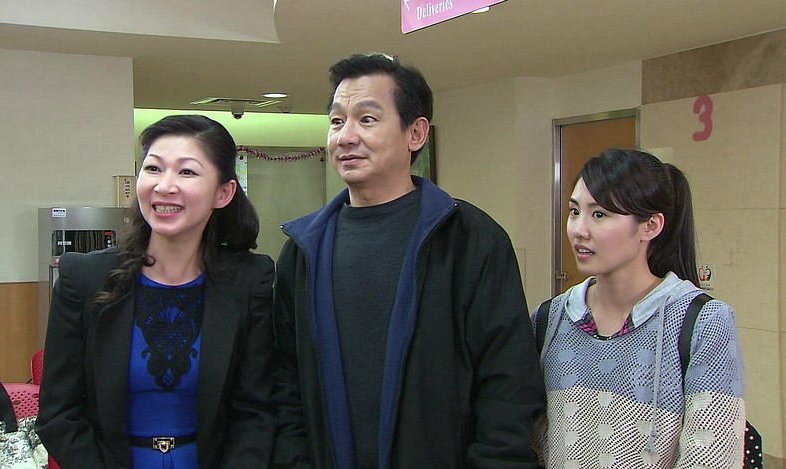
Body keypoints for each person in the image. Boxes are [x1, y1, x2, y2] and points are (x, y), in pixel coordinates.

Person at [271, 53, 546, 468]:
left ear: (415, 133)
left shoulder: (470, 239)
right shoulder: (304, 249)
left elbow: (507, 383)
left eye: (366, 119)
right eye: (336, 121)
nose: (346, 137)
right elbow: (285, 381)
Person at [36, 115, 275, 468]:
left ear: (223, 193)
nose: (164, 186)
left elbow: (256, 411)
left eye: (187, 172)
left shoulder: (249, 282)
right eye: (153, 169)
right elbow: (58, 414)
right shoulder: (83, 279)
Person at [533, 148, 745, 467]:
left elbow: (712, 456)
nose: (578, 230)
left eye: (599, 214)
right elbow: (529, 440)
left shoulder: (703, 322)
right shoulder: (550, 319)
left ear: (650, 226)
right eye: (575, 211)